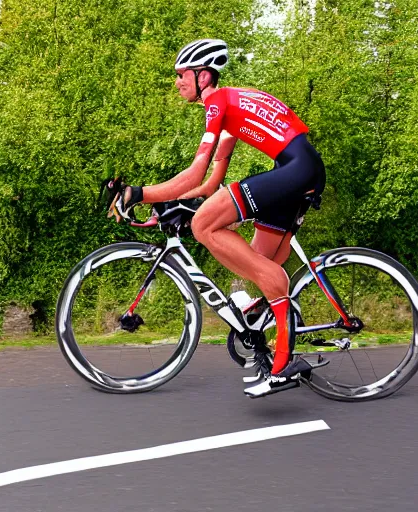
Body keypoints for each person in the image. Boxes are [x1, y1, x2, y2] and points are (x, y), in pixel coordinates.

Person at [110, 38, 326, 398]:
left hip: (296, 170)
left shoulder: (217, 102)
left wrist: (139, 193)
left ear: (203, 75)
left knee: (205, 226)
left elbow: (195, 176)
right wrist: (166, 205)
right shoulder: (229, 108)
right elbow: (209, 184)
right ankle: (269, 326)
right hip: (301, 170)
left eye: (182, 75)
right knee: (257, 259)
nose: (177, 82)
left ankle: (284, 363)